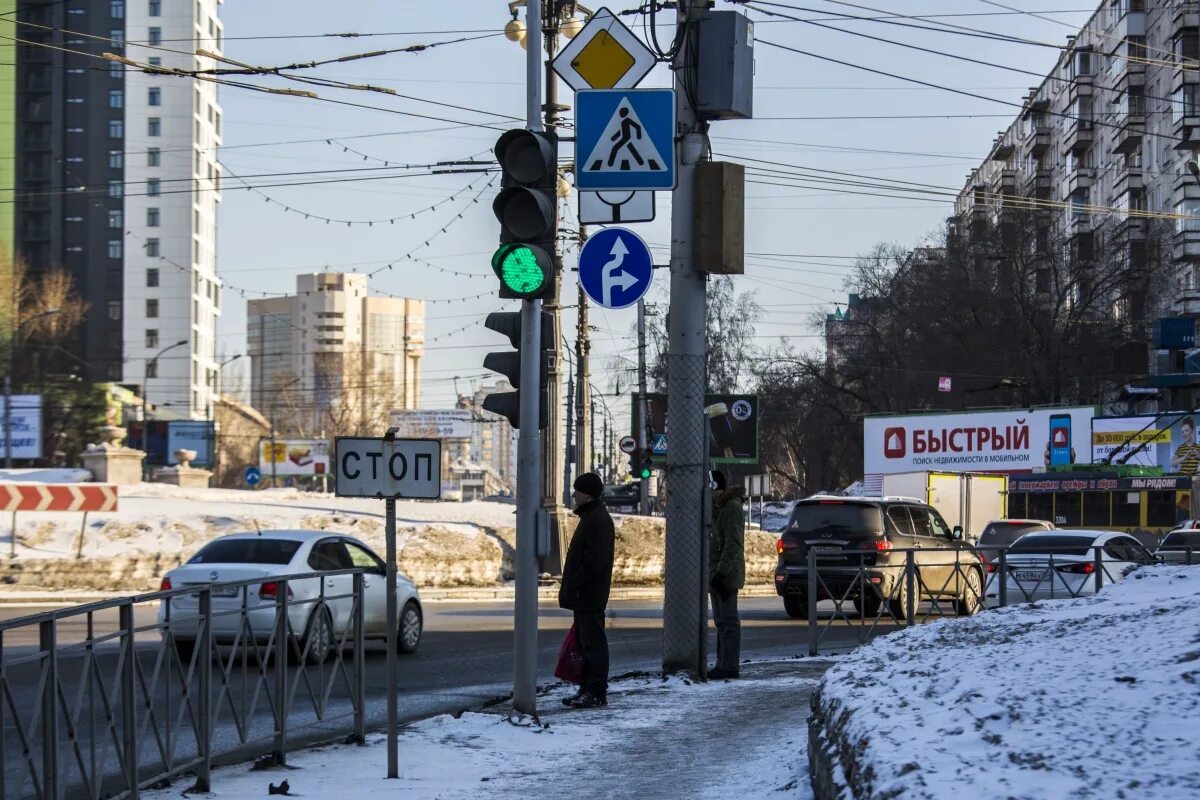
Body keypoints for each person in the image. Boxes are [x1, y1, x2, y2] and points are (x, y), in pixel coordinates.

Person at [559, 472, 615, 708]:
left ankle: (595, 691)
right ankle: (587, 688)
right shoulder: (591, 516)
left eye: (577, 491)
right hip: (585, 594)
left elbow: (595, 560)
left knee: (593, 644)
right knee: (584, 643)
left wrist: (577, 583)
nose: (574, 495)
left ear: (587, 494)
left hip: (589, 594)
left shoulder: (597, 519)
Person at [708, 470, 745, 680]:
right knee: (721, 622)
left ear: (714, 487)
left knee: (729, 622)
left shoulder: (731, 508)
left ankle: (729, 666)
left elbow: (733, 543)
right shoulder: (718, 508)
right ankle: (723, 663)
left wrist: (721, 573)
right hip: (718, 571)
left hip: (726, 573)